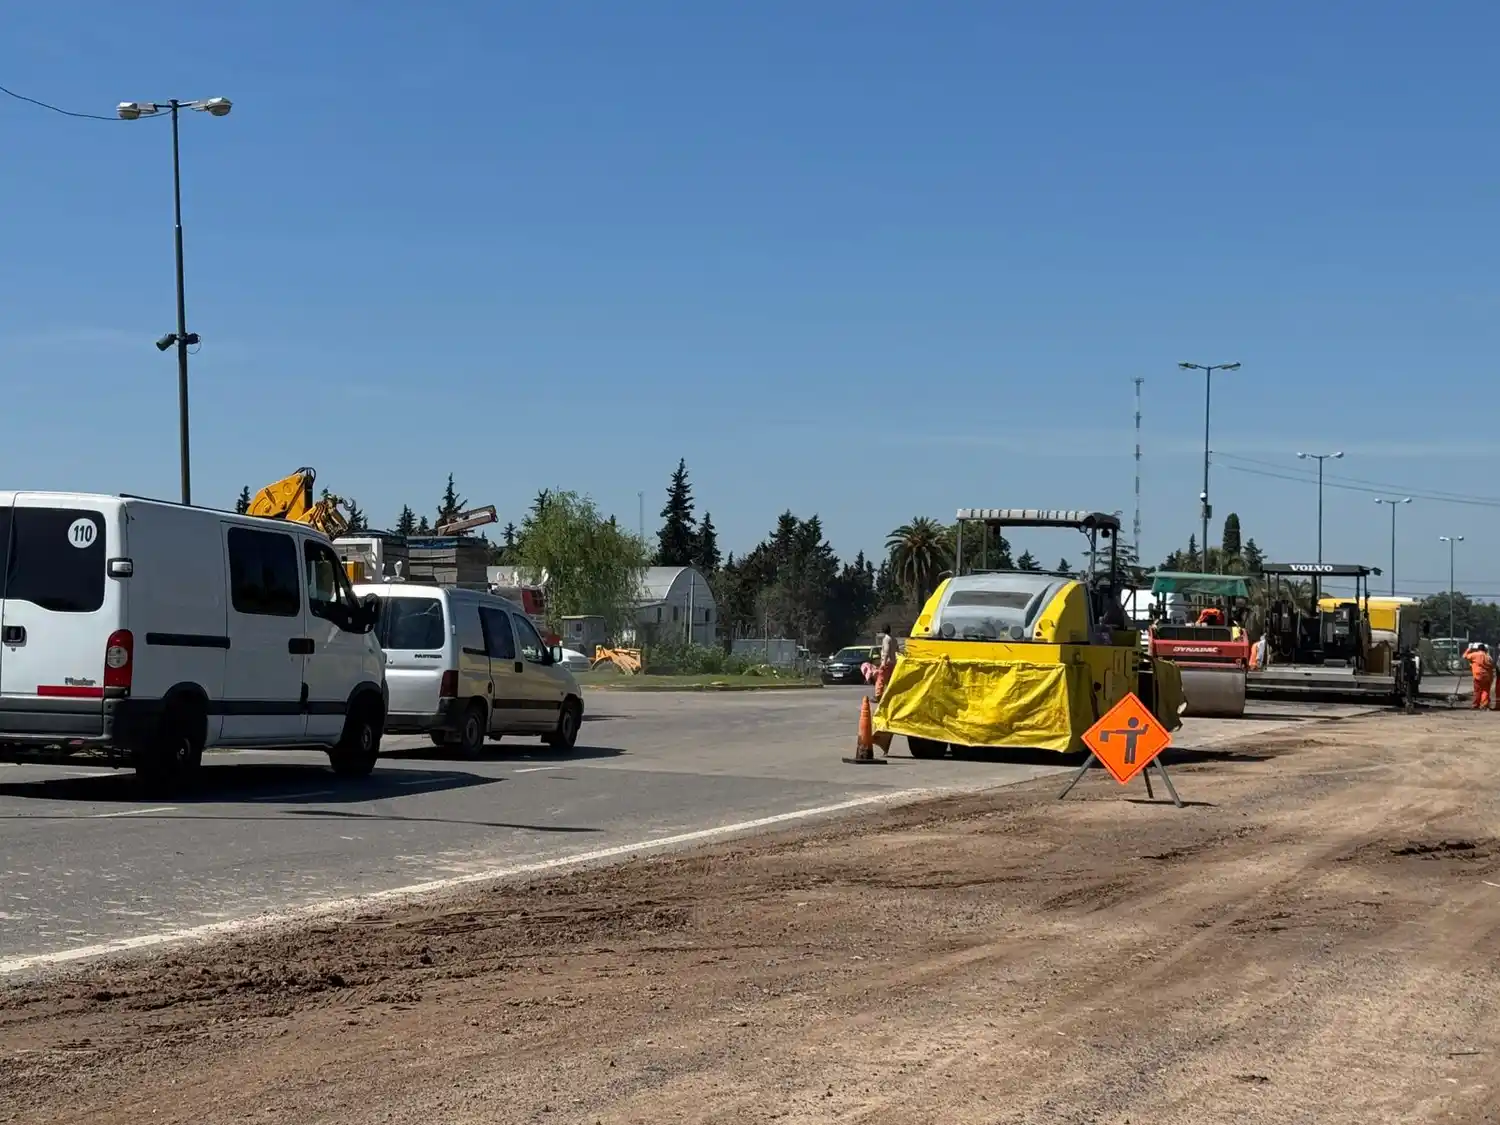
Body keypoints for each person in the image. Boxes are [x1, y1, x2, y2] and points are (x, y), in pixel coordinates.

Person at [1463, 642, 1495, 710]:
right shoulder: (1488, 656)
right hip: (1487, 676)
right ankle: (1484, 705)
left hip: (1478, 676)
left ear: (1478, 649)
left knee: (1477, 691)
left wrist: (1469, 649)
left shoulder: (1475, 654)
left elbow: (1464, 656)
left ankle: (1475, 705)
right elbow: (1492, 665)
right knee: (1485, 691)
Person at [875, 624, 899, 701]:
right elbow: (897, 650)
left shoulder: (886, 639)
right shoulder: (894, 639)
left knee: (881, 678)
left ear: (883, 631)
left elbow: (886, 650)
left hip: (887, 662)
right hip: (893, 662)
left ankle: (878, 695)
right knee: (890, 680)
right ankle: (890, 695)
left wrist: (883, 663)